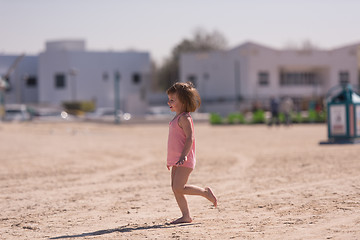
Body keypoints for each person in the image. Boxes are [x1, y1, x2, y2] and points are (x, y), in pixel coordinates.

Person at [166, 81, 217, 224]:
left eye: (172, 100)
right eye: (169, 99)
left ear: (182, 101)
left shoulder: (185, 118)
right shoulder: (176, 117)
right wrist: (170, 160)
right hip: (176, 159)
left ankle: (205, 192)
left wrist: (183, 155)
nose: (169, 102)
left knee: (179, 187)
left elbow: (190, 138)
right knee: (176, 189)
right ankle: (186, 216)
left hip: (185, 159)